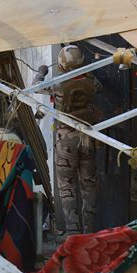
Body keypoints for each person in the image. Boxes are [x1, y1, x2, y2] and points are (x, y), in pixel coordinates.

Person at [51, 45, 101, 236]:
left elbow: (36, 84)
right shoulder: (92, 82)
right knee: (88, 185)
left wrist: (41, 71)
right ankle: (89, 232)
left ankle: (73, 235)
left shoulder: (57, 84)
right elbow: (100, 88)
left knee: (66, 186)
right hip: (87, 137)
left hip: (66, 142)